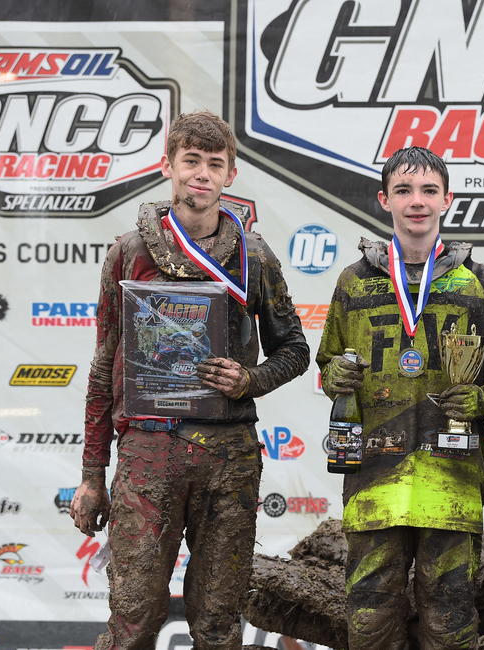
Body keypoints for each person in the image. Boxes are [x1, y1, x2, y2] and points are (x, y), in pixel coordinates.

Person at [70, 110, 310, 650]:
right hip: (147, 451)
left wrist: (249, 379)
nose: (201, 173)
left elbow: (295, 351)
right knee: (131, 621)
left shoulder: (254, 256)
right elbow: (105, 367)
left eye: (214, 164)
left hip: (228, 455)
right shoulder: (128, 254)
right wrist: (91, 473)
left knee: (219, 624)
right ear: (168, 167)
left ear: (232, 175)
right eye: (191, 161)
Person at [317, 146, 484, 649]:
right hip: (373, 480)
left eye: (429, 190)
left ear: (447, 199)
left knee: (451, 616)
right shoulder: (354, 282)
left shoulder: (478, 281)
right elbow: (326, 363)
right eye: (404, 191)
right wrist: (336, 375)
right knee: (368, 618)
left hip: (450, 478)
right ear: (385, 200)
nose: (417, 201)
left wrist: (483, 401)